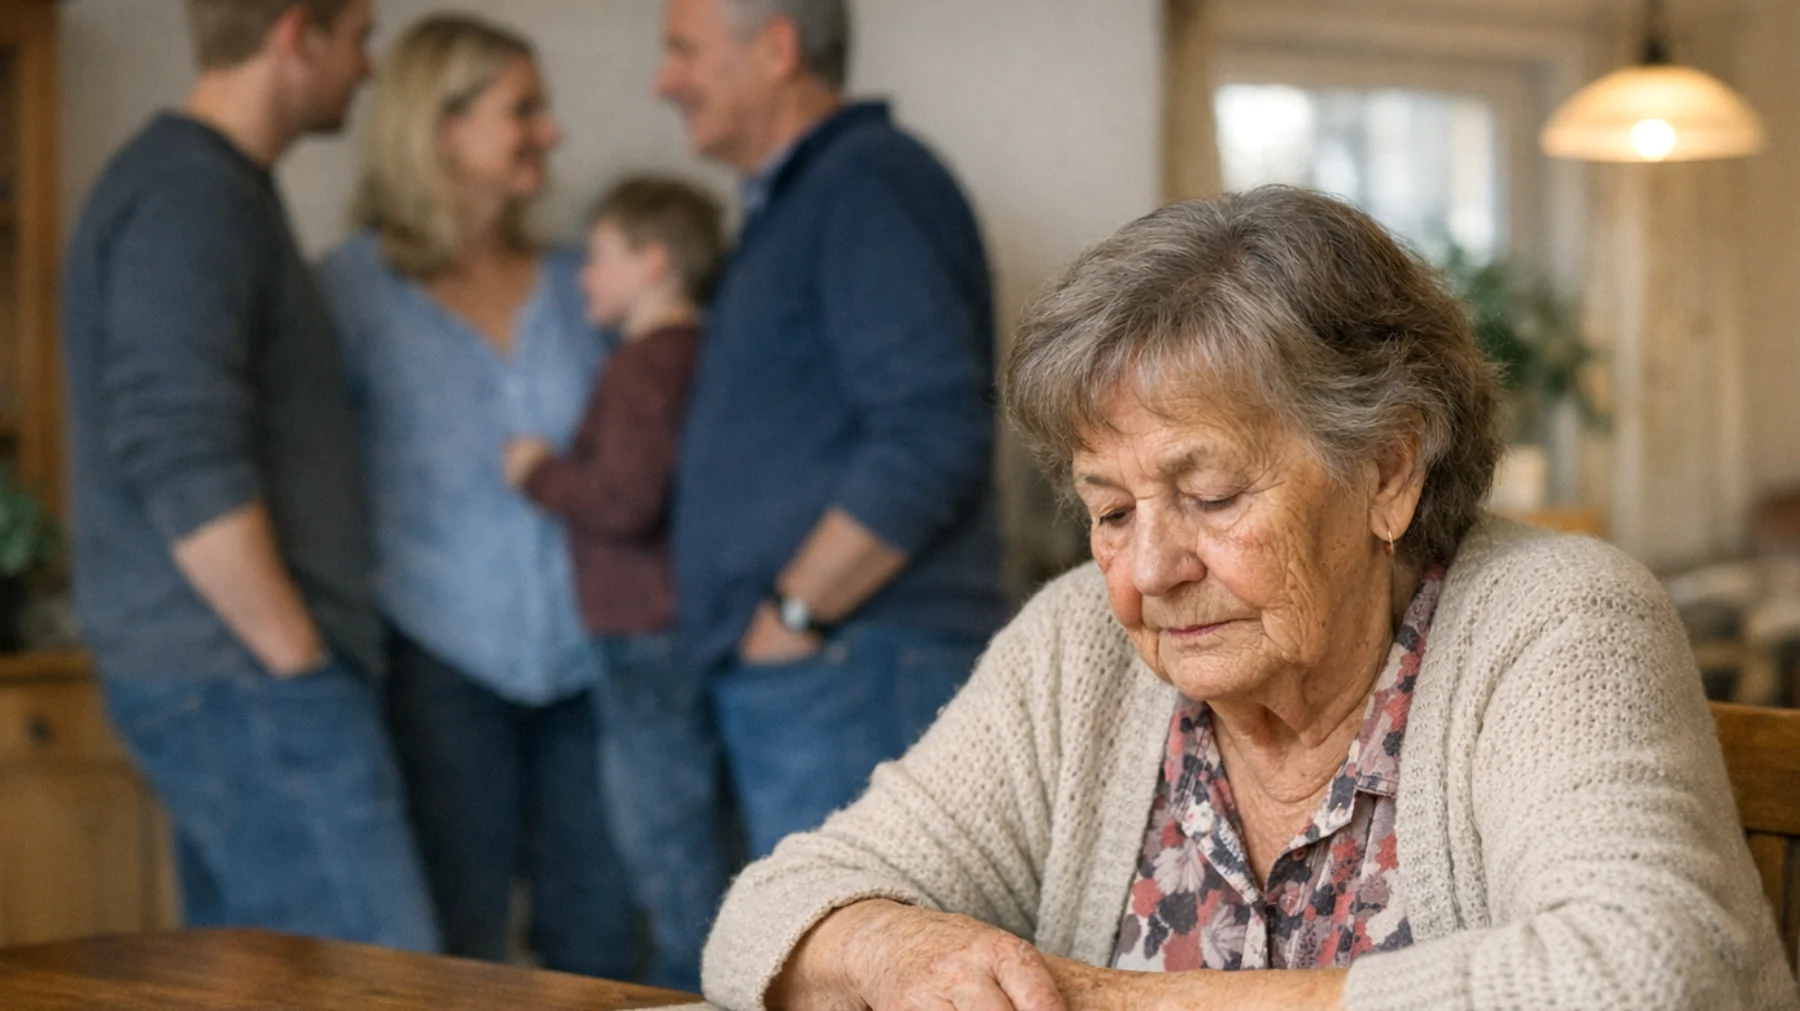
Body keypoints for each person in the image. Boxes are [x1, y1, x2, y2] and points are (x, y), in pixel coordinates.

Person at [700, 188, 1800, 1010]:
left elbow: (1645, 974)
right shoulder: (1079, 645)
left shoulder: (1559, 621)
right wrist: (898, 947)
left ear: (1388, 470)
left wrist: (1108, 1000)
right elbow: (767, 912)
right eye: (1112, 509)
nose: (1148, 570)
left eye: (1211, 493)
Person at [58, 0, 437, 949]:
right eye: (358, 39)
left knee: (265, 982)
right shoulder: (192, 195)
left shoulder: (212, 186)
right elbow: (177, 442)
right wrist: (293, 651)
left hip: (231, 673)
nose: (369, 69)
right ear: (295, 31)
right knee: (385, 985)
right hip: (246, 676)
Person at [315, 14, 639, 976]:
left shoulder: (587, 281)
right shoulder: (348, 293)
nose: (553, 132)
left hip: (592, 669)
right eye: (524, 110)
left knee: (602, 943)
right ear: (442, 127)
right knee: (450, 947)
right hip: (436, 664)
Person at [655, 0, 1006, 861]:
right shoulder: (800, 197)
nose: (666, 81)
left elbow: (933, 428)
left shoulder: (868, 181)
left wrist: (795, 610)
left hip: (855, 664)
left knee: (855, 979)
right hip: (824, 669)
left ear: (775, 49)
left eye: (683, 51)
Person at [504, 176, 730, 993]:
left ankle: (690, 982)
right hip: (693, 620)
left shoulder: (640, 367)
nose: (581, 278)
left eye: (598, 257)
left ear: (655, 262)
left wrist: (537, 472)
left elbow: (624, 500)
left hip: (640, 630)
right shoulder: (710, 353)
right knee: (701, 816)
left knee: (661, 830)